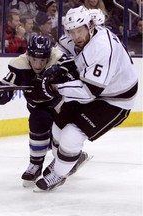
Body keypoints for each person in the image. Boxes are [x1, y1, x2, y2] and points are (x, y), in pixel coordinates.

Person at [32, 6, 138, 191]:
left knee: (71, 136)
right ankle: (70, 160)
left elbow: (90, 92)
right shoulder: (79, 37)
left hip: (116, 99)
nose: (76, 36)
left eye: (79, 30)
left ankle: (59, 173)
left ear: (90, 26)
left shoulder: (102, 48)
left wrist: (54, 87)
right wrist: (60, 66)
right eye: (72, 32)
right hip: (95, 89)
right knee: (57, 128)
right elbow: (61, 50)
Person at [0, 35, 87, 187]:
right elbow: (6, 94)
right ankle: (36, 164)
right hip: (39, 109)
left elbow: (74, 82)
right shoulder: (20, 65)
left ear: (49, 56)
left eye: (42, 60)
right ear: (28, 56)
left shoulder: (60, 61)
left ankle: (69, 157)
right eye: (34, 59)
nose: (38, 65)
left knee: (59, 138)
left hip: (63, 109)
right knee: (38, 120)